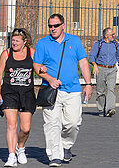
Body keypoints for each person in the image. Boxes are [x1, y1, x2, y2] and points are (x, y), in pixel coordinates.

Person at [33, 14, 92, 166]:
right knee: (52, 124)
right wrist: (49, 78)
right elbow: (36, 66)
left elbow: (83, 62)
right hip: (50, 90)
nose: (53, 29)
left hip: (72, 89)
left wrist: (88, 84)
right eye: (50, 26)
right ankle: (55, 156)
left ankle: (66, 145)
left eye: (56, 26)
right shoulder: (43, 43)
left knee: (73, 122)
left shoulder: (74, 40)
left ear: (63, 25)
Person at [0, 29, 36, 167]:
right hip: (9, 93)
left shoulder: (32, 52)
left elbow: (38, 68)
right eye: (13, 40)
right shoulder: (6, 54)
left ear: (24, 42)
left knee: (26, 128)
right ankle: (11, 155)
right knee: (11, 124)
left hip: (27, 94)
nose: (14, 43)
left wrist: (44, 70)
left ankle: (21, 148)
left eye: (17, 41)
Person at [88, 27, 119, 117]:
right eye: (112, 34)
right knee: (100, 91)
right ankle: (101, 109)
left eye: (114, 34)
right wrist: (95, 65)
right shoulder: (98, 44)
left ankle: (110, 109)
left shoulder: (115, 44)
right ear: (106, 36)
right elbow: (91, 57)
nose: (114, 36)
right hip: (100, 69)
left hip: (112, 69)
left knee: (111, 89)